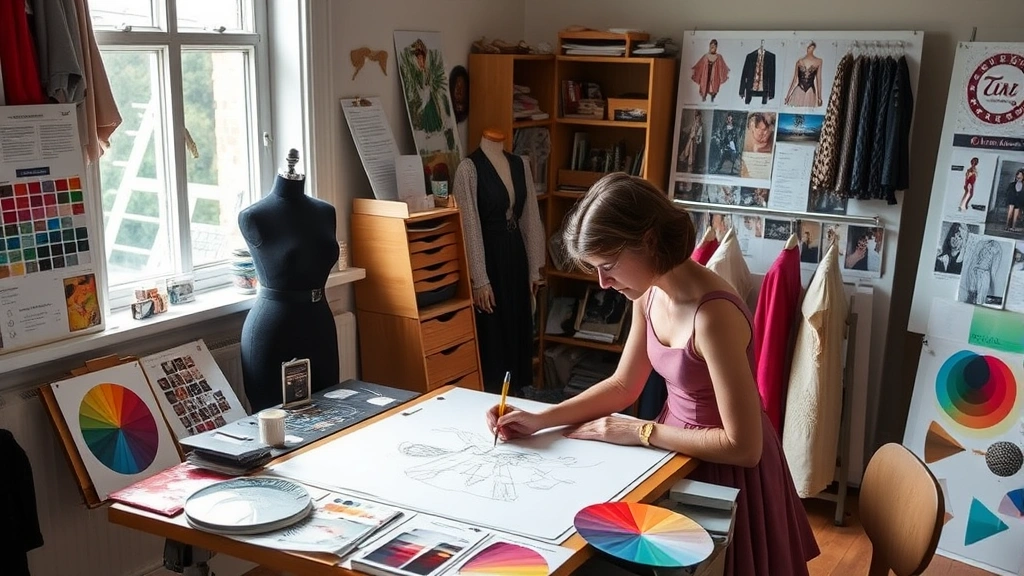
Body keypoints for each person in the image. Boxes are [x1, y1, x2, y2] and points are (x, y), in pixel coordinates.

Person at [487, 173, 820, 575]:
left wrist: (639, 432)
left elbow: (743, 446)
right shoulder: (648, 293)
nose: (603, 284)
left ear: (647, 240)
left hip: (727, 469)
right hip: (675, 448)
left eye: (608, 267)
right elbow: (623, 384)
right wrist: (540, 420)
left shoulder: (712, 315)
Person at [238, 150, 339, 412]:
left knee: (332, 416)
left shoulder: (326, 212)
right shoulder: (254, 217)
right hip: (273, 331)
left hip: (320, 324)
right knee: (274, 425)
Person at [452, 129, 544, 395]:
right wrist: (479, 279)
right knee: (494, 329)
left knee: (517, 323)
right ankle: (493, 395)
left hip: (515, 253)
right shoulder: (469, 169)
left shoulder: (519, 164)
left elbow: (530, 217)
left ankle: (516, 394)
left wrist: (534, 268)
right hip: (489, 254)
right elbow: (469, 226)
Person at [784, 41, 823, 107]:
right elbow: (818, 80)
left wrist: (819, 97)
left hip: (805, 91)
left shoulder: (800, 62)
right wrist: (819, 97)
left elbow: (818, 80)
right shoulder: (818, 61)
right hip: (806, 91)